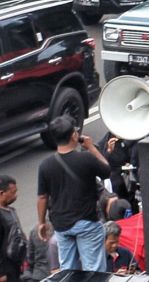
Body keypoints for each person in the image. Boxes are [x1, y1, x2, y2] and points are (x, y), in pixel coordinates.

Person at [36, 116, 110, 272]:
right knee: (94, 270)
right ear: (74, 135)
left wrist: (41, 222)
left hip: (61, 224)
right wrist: (91, 147)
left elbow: (42, 197)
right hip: (87, 222)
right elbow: (106, 170)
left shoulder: (45, 165)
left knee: (68, 270)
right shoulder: (86, 158)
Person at [0, 174, 24, 282]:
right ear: (2, 193)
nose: (16, 195)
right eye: (13, 192)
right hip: (6, 269)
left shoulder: (11, 210)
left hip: (16, 265)